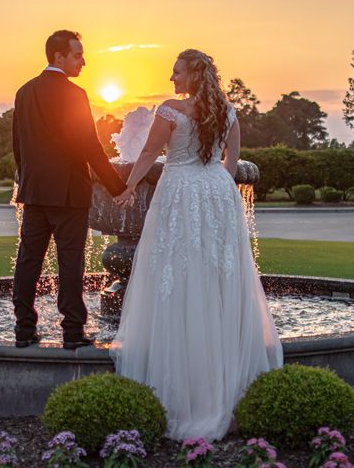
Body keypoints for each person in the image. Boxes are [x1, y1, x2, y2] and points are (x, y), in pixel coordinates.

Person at [110, 49, 283, 440]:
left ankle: (184, 382)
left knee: (175, 271)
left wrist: (129, 186)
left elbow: (151, 153)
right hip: (218, 192)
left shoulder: (170, 110)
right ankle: (221, 370)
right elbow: (232, 161)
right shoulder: (228, 111)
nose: (171, 79)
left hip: (181, 191)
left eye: (176, 72)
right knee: (219, 273)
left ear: (192, 75)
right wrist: (214, 189)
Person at [12, 30, 126, 350]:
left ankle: (24, 328)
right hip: (69, 195)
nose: (83, 61)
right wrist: (117, 187)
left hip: (34, 193)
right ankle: (72, 331)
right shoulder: (74, 94)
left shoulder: (24, 92)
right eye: (78, 55)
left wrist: (28, 181)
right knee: (71, 263)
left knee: (28, 261)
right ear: (58, 56)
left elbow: (18, 147)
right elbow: (90, 147)